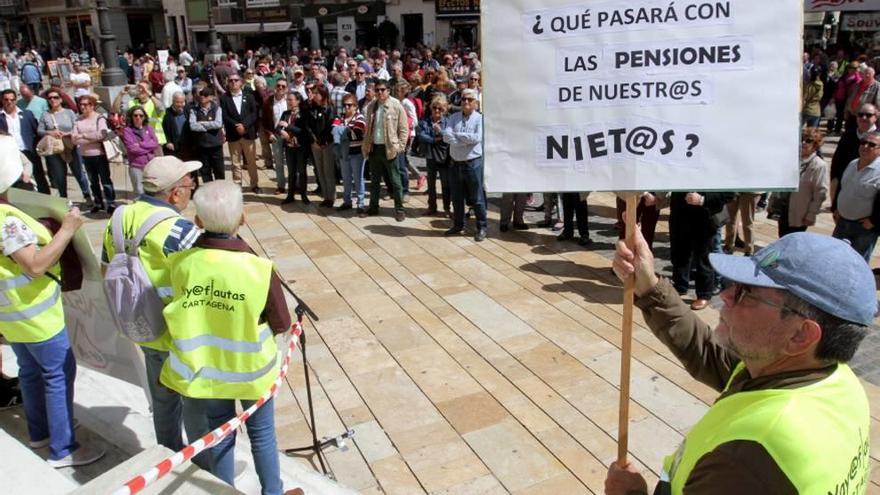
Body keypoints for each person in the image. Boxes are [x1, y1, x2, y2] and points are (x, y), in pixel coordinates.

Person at [607, 230, 876, 495]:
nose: (725, 294)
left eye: (746, 292)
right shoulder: (835, 381)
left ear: (801, 335)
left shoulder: (746, 460)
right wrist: (649, 285)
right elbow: (712, 356)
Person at [159, 180, 291, 494]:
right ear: (243, 218)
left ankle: (224, 489)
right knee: (262, 435)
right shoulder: (257, 268)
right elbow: (282, 322)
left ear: (199, 222)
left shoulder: (182, 264)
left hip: (208, 369)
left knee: (219, 433)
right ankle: (272, 492)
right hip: (251, 371)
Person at [0, 135, 104, 468]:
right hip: (35, 316)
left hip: (12, 315)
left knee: (30, 373)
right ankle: (63, 448)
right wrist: (68, 228)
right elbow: (34, 265)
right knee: (58, 373)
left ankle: (40, 432)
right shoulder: (8, 221)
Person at [101, 155, 207, 461]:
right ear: (175, 193)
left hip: (141, 325)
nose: (191, 190)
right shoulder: (178, 229)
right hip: (177, 333)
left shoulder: (119, 216)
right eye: (189, 184)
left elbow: (106, 267)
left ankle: (167, 454)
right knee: (194, 404)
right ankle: (202, 463)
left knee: (161, 399)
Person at [669, 190, 735, 310]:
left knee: (704, 258)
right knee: (679, 252)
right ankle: (679, 286)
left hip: (704, 216)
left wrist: (702, 199)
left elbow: (728, 193)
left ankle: (704, 294)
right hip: (680, 213)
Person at [443, 88, 487, 241]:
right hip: (455, 163)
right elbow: (446, 136)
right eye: (463, 99)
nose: (466, 102)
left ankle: (481, 227)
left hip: (472, 163)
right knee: (457, 197)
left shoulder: (479, 119)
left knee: (477, 198)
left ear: (476, 103)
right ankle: (458, 224)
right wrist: (463, 140)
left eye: (469, 99)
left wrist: (457, 136)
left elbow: (477, 138)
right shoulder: (454, 117)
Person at [361, 79, 408, 221]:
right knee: (375, 181)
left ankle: (399, 209)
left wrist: (400, 147)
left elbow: (404, 128)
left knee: (395, 181)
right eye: (377, 90)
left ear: (388, 90)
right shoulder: (372, 106)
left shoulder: (396, 105)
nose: (380, 92)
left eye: (382, 90)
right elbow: (368, 127)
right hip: (374, 147)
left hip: (389, 148)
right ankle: (373, 207)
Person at [769, 128, 828, 237]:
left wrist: (811, 215)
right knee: (782, 238)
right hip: (783, 209)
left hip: (800, 213)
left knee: (793, 241)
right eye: (802, 139)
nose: (803, 143)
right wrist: (772, 202)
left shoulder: (818, 165)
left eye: (808, 141)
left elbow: (820, 193)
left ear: (815, 145)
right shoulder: (791, 159)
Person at [832, 130, 880, 262]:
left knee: (856, 264)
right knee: (834, 260)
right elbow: (843, 187)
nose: (865, 146)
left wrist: (875, 222)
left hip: (863, 228)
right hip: (842, 223)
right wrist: (835, 208)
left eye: (871, 145)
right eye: (863, 142)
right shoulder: (853, 163)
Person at [37, 88, 91, 201]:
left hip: (71, 147)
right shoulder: (45, 115)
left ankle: (87, 196)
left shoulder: (69, 112)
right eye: (50, 98)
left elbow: (77, 127)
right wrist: (50, 132)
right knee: (60, 176)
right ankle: (64, 199)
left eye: (55, 97)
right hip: (55, 149)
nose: (53, 100)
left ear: (61, 99)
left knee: (79, 173)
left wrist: (67, 133)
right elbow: (40, 130)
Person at [71, 94, 116, 214]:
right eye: (81, 104)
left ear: (92, 106)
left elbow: (102, 134)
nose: (82, 107)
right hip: (85, 155)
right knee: (93, 181)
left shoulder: (99, 118)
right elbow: (74, 139)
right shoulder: (78, 120)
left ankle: (110, 202)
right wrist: (92, 137)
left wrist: (84, 135)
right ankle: (98, 203)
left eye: (85, 104)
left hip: (99, 154)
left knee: (105, 180)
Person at [220, 74, 261, 193]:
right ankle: (237, 184)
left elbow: (254, 113)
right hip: (233, 134)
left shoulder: (249, 96)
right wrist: (236, 125)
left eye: (236, 80)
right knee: (235, 162)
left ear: (241, 82)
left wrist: (244, 125)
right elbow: (224, 115)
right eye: (231, 80)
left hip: (248, 133)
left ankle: (254, 184)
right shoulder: (224, 98)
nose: (233, 82)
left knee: (251, 161)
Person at [416, 95, 451, 217]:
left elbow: (449, 137)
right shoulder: (425, 122)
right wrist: (435, 139)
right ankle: (432, 206)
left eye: (440, 109)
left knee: (445, 184)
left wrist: (440, 132)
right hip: (430, 156)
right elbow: (421, 135)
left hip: (444, 157)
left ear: (445, 109)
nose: (437, 111)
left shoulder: (448, 122)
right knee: (431, 184)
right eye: (435, 108)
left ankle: (447, 208)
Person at [305, 85, 336, 207]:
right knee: (320, 170)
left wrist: (324, 141)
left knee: (328, 170)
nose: (313, 95)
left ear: (322, 95)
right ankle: (325, 195)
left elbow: (331, 125)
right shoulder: (312, 108)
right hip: (315, 144)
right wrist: (314, 140)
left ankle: (331, 197)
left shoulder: (330, 108)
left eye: (316, 93)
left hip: (327, 144)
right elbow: (308, 125)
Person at [278, 91, 311, 205]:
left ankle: (303, 195)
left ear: (298, 101)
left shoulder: (304, 113)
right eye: (288, 100)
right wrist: (282, 132)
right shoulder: (285, 113)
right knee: (291, 172)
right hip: (289, 146)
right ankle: (290, 195)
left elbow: (304, 131)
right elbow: (279, 127)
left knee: (302, 171)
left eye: (291, 99)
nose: (289, 102)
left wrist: (289, 127)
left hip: (300, 146)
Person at [336, 93, 367, 212]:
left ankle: (361, 203)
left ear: (355, 106)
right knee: (346, 178)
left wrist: (342, 132)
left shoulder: (360, 118)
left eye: (349, 105)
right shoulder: (340, 117)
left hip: (357, 153)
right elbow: (334, 129)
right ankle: (347, 201)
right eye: (345, 105)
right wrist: (346, 131)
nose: (347, 108)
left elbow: (358, 133)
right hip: (344, 153)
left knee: (358, 178)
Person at [121, 105, 160, 195]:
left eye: (141, 115)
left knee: (152, 190)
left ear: (144, 117)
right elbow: (132, 149)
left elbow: (155, 143)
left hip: (150, 164)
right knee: (139, 190)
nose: (138, 117)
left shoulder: (149, 128)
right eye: (135, 115)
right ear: (131, 117)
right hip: (136, 165)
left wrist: (140, 144)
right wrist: (148, 147)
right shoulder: (127, 131)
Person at [189, 87, 225, 183]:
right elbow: (193, 126)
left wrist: (201, 124)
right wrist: (209, 125)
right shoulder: (194, 110)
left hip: (215, 145)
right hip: (202, 145)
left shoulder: (217, 109)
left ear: (211, 97)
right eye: (201, 95)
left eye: (205, 95)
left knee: (219, 171)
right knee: (205, 171)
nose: (202, 97)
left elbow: (218, 124)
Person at [263, 79, 289, 193]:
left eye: (283, 86)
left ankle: (296, 185)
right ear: (275, 87)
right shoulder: (268, 101)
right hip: (276, 135)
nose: (280, 88)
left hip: (289, 135)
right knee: (278, 163)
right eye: (278, 85)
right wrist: (269, 133)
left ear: (286, 88)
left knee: (292, 162)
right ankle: (281, 186)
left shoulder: (289, 100)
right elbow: (264, 120)